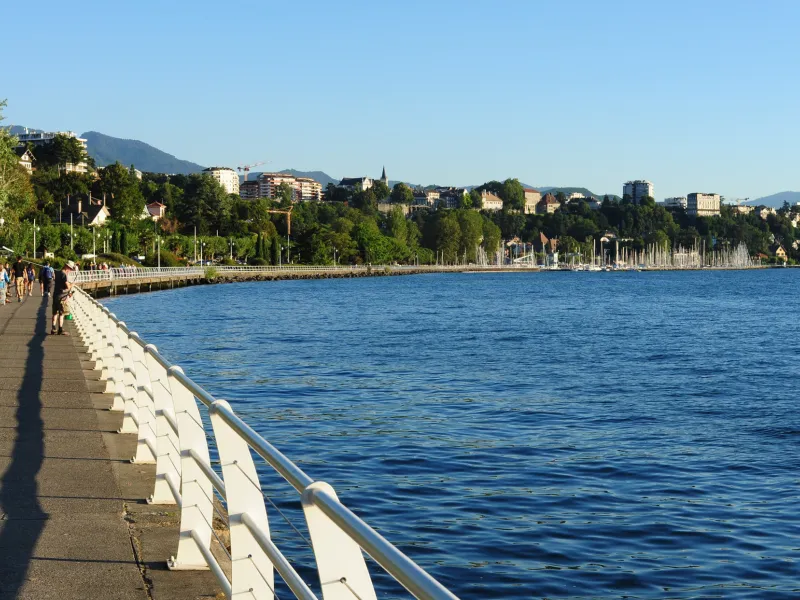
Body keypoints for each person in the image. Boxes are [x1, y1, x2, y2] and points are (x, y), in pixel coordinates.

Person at [51, 260, 75, 336]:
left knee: (55, 313)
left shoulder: (57, 273)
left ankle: (53, 328)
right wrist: (72, 285)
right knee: (61, 313)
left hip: (55, 295)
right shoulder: (64, 275)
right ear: (67, 267)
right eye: (70, 269)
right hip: (62, 297)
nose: (70, 270)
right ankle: (60, 329)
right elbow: (67, 287)